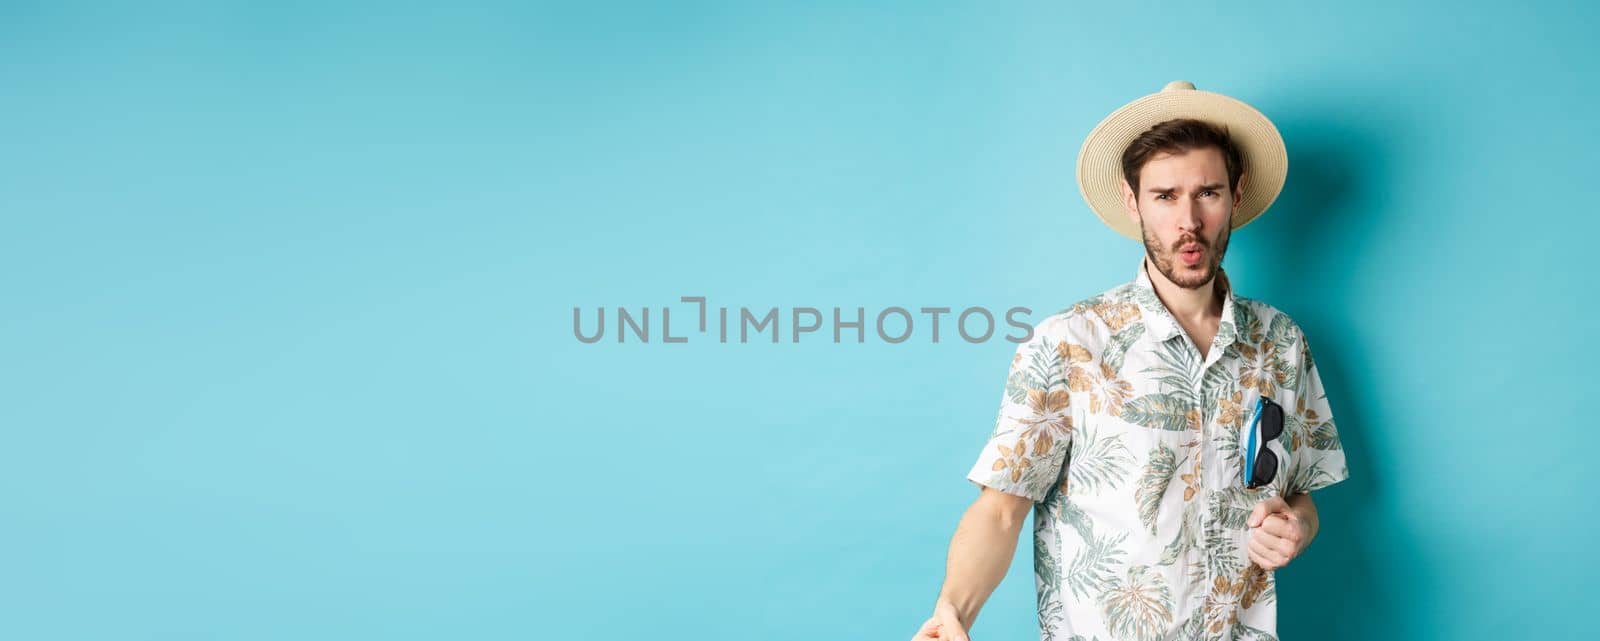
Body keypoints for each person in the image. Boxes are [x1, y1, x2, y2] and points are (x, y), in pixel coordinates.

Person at [911, 81, 1350, 641]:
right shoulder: (1068, 343)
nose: (1188, 221)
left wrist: (1297, 528)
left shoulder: (1280, 341)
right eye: (1165, 196)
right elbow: (1000, 510)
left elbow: (1301, 492)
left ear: (1235, 197)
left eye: (1207, 193)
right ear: (1132, 201)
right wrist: (953, 611)